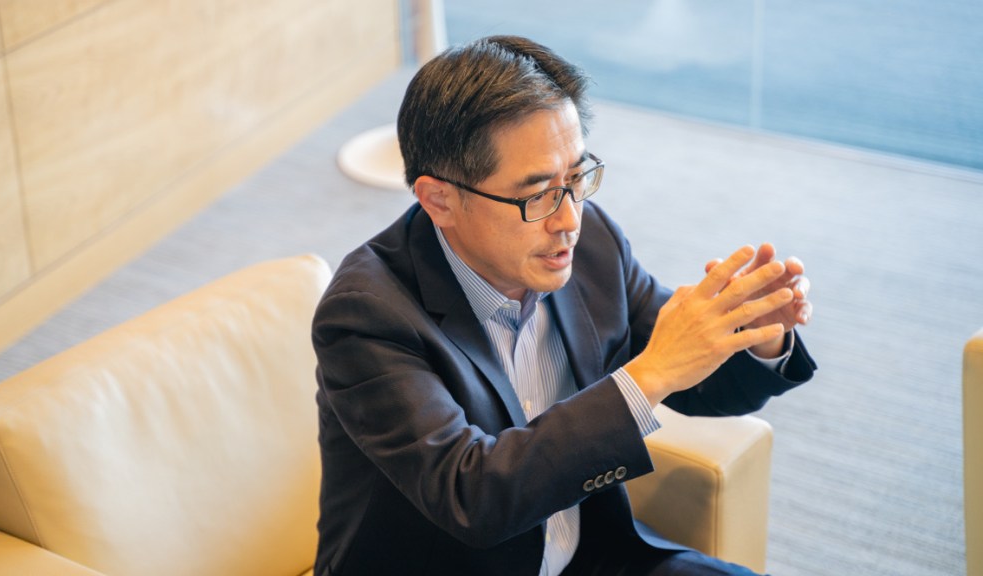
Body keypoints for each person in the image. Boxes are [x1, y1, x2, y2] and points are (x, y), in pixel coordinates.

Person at [311, 35, 816, 576]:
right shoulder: (366, 316)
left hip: (594, 557)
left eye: (576, 177)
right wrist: (650, 375)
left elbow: (693, 381)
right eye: (538, 194)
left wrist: (756, 337)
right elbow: (471, 497)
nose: (569, 218)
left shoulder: (591, 243)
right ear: (440, 200)